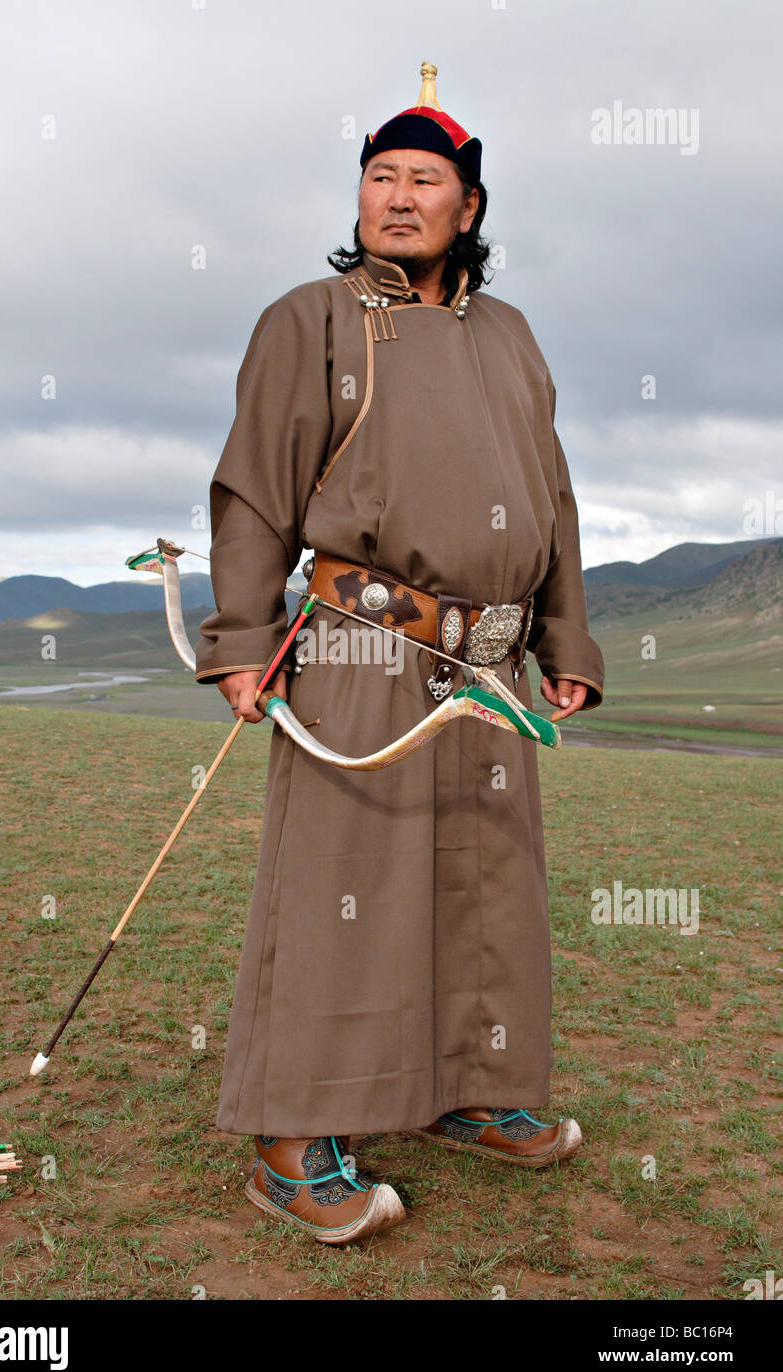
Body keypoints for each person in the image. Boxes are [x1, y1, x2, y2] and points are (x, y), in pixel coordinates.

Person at [195, 62, 604, 1245]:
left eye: (425, 179)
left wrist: (564, 636)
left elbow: (553, 505)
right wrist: (241, 640)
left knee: (483, 884)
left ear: (468, 206)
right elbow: (252, 496)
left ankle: (466, 1089)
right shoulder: (307, 322)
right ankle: (289, 1134)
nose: (398, 197)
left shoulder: (514, 339)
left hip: (488, 661)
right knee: (344, 889)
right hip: (361, 647)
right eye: (379, 177)